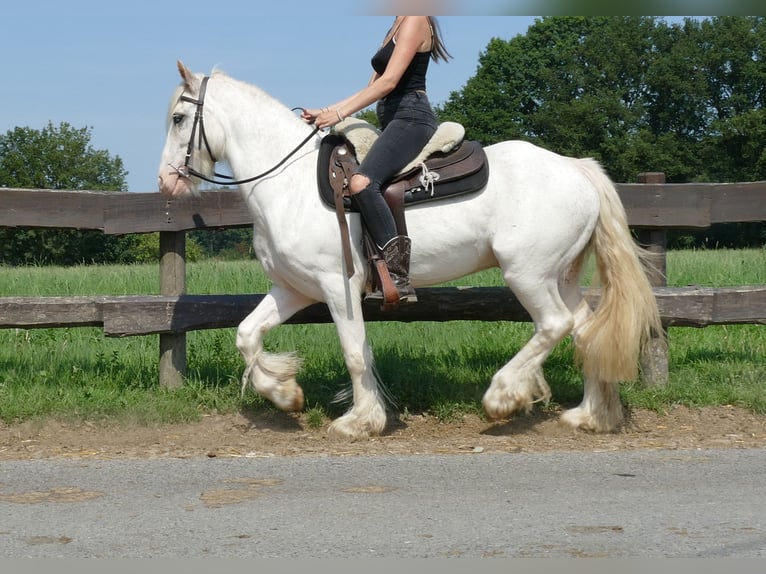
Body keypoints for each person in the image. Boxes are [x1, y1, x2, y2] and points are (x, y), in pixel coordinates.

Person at [302, 16, 451, 305]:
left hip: (411, 117)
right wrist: (325, 111)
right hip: (394, 119)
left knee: (361, 182)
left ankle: (397, 275)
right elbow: (370, 89)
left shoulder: (415, 18)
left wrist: (340, 115)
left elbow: (390, 82)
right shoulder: (395, 25)